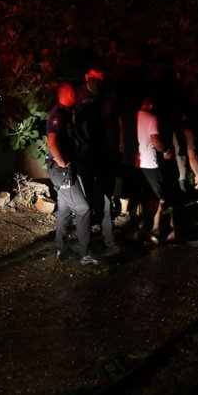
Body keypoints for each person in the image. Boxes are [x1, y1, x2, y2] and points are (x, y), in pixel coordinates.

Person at [46, 81, 98, 265]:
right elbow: (51, 141)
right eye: (74, 93)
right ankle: (86, 254)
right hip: (61, 170)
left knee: (65, 209)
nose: (76, 96)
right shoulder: (58, 114)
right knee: (83, 209)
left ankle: (61, 249)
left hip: (64, 169)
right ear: (67, 94)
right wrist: (61, 163)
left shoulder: (66, 113)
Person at [74, 62, 120, 253]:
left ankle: (108, 239)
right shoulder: (77, 94)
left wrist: (115, 144)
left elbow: (112, 121)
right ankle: (86, 244)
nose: (98, 81)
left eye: (100, 77)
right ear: (87, 77)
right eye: (94, 77)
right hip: (84, 155)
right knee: (85, 201)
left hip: (104, 154)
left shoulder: (108, 94)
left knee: (106, 199)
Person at [135, 95, 175, 244]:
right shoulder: (151, 118)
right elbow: (155, 140)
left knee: (140, 197)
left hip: (134, 163)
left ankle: (138, 230)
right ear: (150, 105)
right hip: (149, 163)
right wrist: (165, 151)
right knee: (155, 197)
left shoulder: (130, 117)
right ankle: (147, 228)